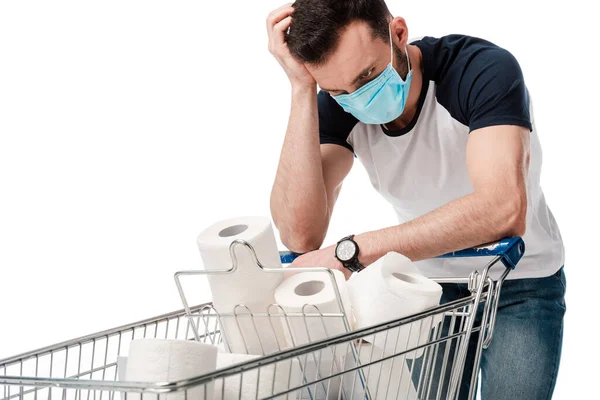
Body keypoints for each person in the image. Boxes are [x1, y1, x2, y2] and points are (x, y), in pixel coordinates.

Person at [267, 0, 566, 398]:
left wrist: (354, 251)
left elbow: (502, 210)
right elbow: (299, 234)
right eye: (338, 90)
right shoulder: (340, 106)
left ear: (398, 34)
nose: (359, 99)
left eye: (368, 75)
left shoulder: (481, 71)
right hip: (429, 288)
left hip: (520, 281)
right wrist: (302, 89)